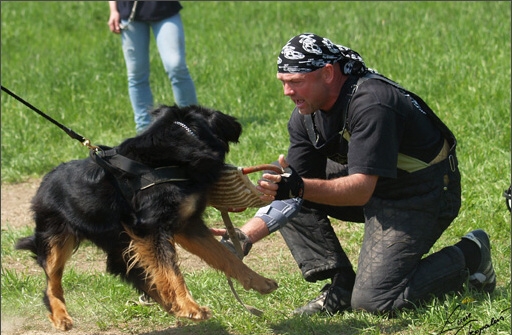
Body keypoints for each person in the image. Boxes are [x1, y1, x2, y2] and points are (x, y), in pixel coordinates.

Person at [218, 33, 496, 316]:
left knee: (376, 302)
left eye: (296, 81)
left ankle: (472, 254)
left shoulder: (373, 102)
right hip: (378, 183)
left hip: (425, 191)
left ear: (327, 73)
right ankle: (342, 285)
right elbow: (293, 189)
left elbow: (360, 189)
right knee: (291, 186)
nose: (287, 92)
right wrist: (243, 236)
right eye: (283, 82)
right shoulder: (305, 114)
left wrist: (297, 186)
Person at [108, 1, 198, 134]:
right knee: (136, 75)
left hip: (164, 8)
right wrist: (114, 10)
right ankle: (144, 131)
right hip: (130, 11)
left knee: (176, 66)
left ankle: (192, 125)